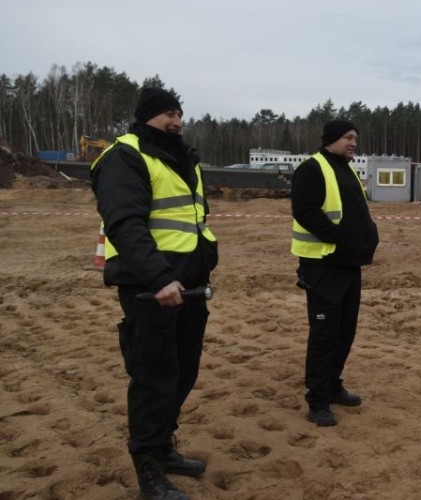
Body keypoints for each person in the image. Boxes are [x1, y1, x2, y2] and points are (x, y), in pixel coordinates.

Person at [91, 87, 217, 500]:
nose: (177, 121)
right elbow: (125, 223)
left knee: (183, 372)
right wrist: (158, 278)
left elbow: (191, 219)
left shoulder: (183, 158)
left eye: (180, 113)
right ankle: (148, 470)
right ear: (146, 116)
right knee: (154, 379)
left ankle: (163, 448)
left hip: (190, 287)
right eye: (167, 114)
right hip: (152, 289)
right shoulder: (123, 157)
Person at [291, 120, 379, 427]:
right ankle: (317, 399)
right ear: (331, 139)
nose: (354, 143)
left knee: (345, 331)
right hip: (322, 265)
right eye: (348, 137)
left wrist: (369, 233)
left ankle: (332, 384)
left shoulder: (347, 168)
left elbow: (357, 211)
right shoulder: (311, 169)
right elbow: (305, 211)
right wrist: (339, 237)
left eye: (356, 137)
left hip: (347, 265)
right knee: (324, 335)